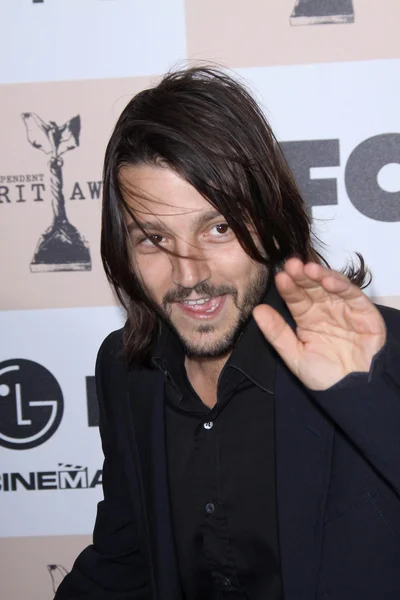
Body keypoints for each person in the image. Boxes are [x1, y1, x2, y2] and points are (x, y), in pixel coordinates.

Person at [55, 67, 400, 600]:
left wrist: (368, 399)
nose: (189, 275)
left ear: (271, 217)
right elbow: (122, 563)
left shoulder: (382, 356)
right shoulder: (127, 371)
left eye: (218, 229)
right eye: (153, 239)